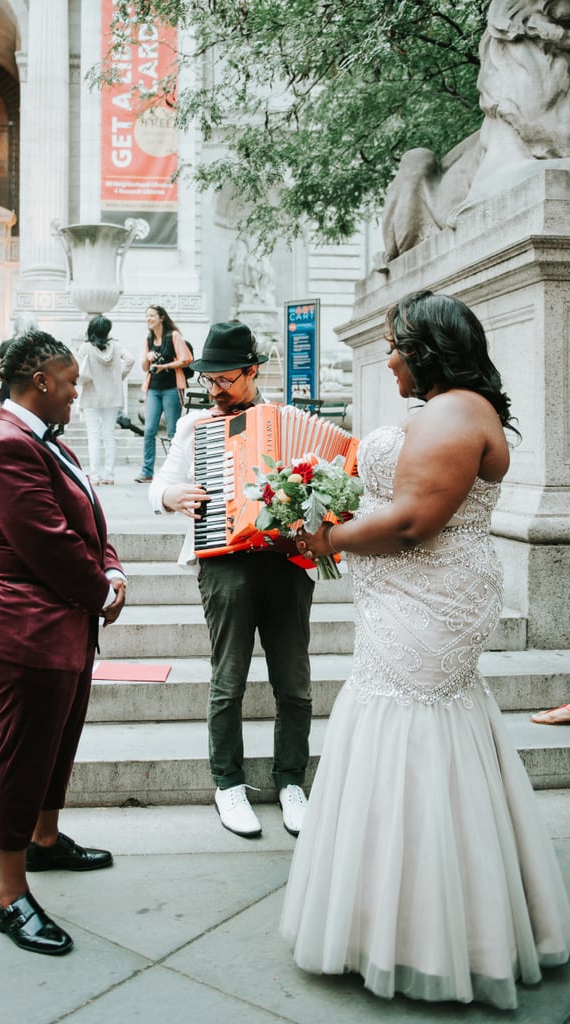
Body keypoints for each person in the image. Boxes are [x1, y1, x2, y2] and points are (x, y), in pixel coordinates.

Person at [281, 291, 570, 1008]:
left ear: (424, 350)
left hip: (428, 599)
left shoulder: (451, 411)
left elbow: (413, 521)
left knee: (405, 722)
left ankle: (417, 933)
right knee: (425, 719)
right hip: (419, 597)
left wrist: (325, 539)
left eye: (393, 346)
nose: (386, 359)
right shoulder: (457, 409)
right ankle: (429, 918)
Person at [0, 329, 127, 957]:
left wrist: (111, 567)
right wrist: (97, 589)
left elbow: (87, 517)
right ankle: (9, 896)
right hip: (22, 624)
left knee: (58, 741)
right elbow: (47, 542)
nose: (77, 394)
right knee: (22, 753)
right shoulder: (6, 445)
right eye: (72, 383)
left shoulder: (43, 439)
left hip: (61, 620)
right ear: (41, 383)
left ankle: (47, 842)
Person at [149, 321, 313, 839]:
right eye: (209, 382)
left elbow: (318, 492)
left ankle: (291, 781)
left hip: (284, 561)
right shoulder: (194, 427)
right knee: (228, 680)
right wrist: (170, 497)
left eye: (226, 381)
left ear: (253, 371)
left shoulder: (286, 421)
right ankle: (228, 784)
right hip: (222, 560)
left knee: (294, 683)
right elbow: (161, 486)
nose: (216, 392)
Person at [135, 304, 192, 483]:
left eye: (152, 315)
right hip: (153, 389)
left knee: (172, 432)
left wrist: (165, 366)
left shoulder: (173, 336)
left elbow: (187, 359)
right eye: (147, 316)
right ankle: (147, 471)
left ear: (161, 317)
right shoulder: (148, 339)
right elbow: (144, 368)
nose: (149, 319)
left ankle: (172, 472)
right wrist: (148, 358)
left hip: (171, 388)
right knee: (149, 430)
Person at [77, 314, 135, 485]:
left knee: (93, 437)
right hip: (112, 397)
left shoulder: (85, 347)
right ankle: (109, 475)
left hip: (91, 395)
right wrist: (119, 377)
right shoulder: (116, 346)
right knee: (109, 436)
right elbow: (130, 360)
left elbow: (78, 369)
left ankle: (94, 476)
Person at [0, 312, 40, 405]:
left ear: (17, 326)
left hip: (8, 395)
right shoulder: (41, 347)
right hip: (32, 396)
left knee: (9, 419)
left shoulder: (7, 344)